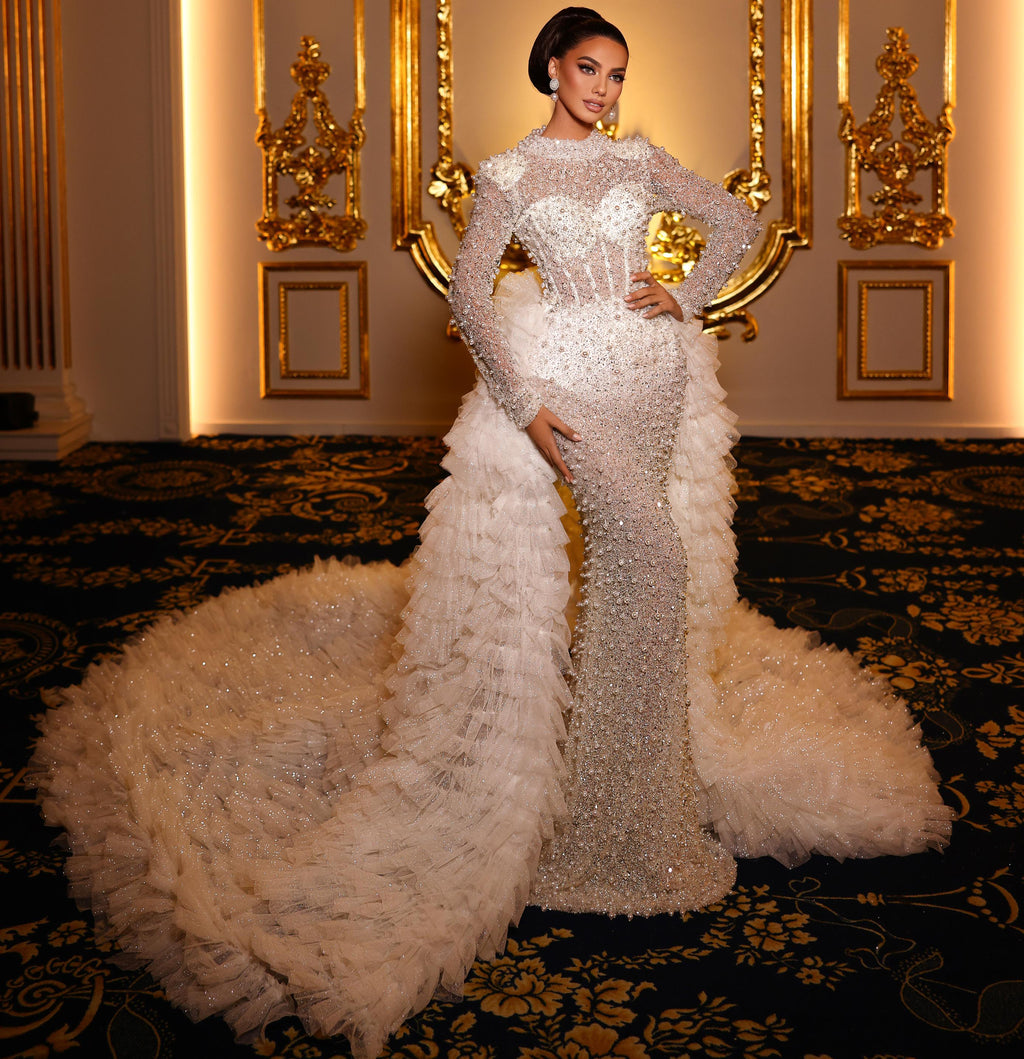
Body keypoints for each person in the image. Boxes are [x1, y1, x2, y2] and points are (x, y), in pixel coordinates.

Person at [30, 8, 953, 1059]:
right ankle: (604, 820)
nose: (604, 88)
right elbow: (470, 296)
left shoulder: (638, 159)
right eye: (589, 69)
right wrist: (527, 408)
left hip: (650, 381)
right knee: (647, 565)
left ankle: (636, 802)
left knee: (640, 580)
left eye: (617, 73)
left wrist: (685, 294)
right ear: (552, 69)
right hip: (568, 393)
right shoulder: (509, 175)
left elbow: (738, 221)